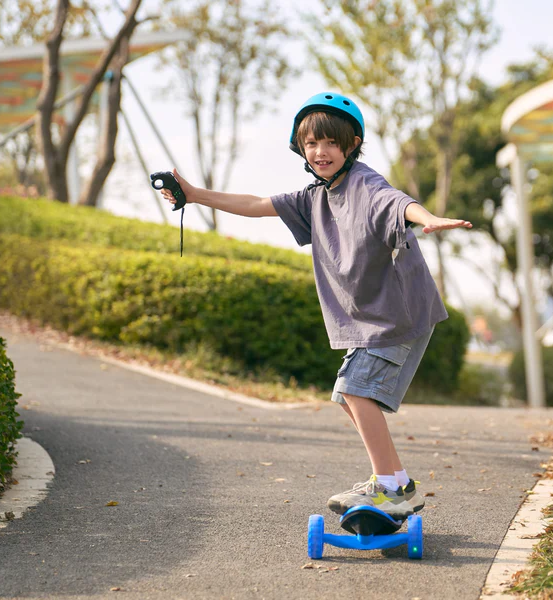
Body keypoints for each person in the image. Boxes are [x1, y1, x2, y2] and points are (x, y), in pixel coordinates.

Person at [159, 92, 471, 519]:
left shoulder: (365, 184)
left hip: (398, 314)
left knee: (355, 390)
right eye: (310, 144)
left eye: (330, 143)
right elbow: (255, 205)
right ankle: (396, 484)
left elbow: (397, 202)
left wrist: (426, 217)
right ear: (301, 149)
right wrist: (194, 194)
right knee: (348, 398)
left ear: (351, 145)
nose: (320, 152)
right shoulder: (314, 198)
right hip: (373, 321)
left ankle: (391, 489)